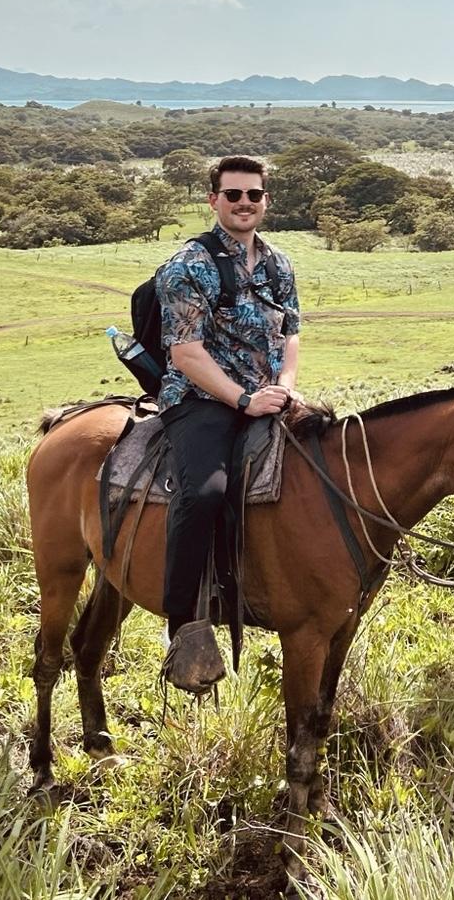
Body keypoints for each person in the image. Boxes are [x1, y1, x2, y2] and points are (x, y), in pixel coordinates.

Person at [155, 154, 299, 678]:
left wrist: (284, 386)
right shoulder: (188, 265)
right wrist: (243, 400)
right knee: (207, 490)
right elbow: (186, 354)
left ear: (266, 201)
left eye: (253, 195)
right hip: (201, 399)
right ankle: (183, 623)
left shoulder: (279, 263)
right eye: (233, 194)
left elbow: (291, 333)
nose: (244, 203)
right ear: (213, 199)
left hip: (269, 392)